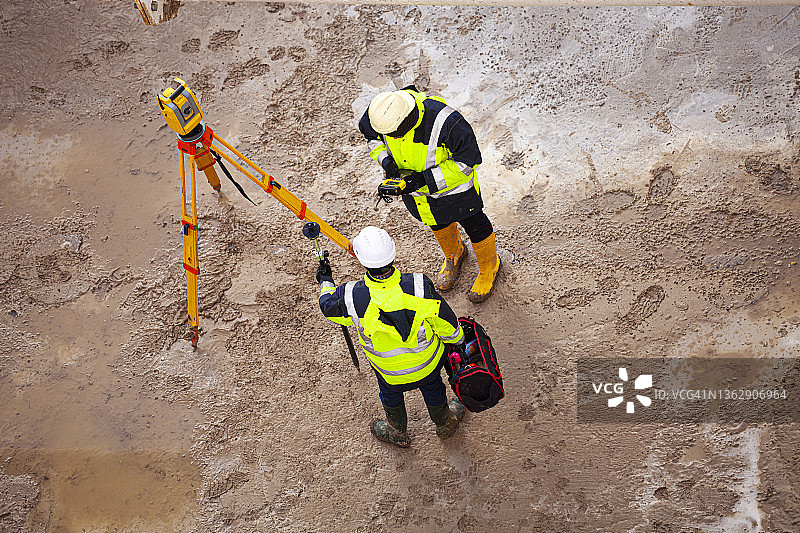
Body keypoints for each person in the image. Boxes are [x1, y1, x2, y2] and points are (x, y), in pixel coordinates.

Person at [316, 226, 466, 448]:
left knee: (390, 395)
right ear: (393, 254)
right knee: (434, 389)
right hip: (428, 363)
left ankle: (397, 431)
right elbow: (447, 324)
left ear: (360, 258)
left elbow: (327, 306)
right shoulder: (419, 285)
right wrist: (459, 342)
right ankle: (445, 423)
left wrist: (326, 281)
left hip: (388, 371)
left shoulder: (350, 297)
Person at [358, 85, 501, 303]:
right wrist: (386, 161)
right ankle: (455, 254)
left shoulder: (448, 123)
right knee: (436, 221)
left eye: (394, 134)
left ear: (407, 120)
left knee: (475, 225)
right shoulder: (380, 114)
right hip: (419, 196)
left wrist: (422, 180)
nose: (392, 139)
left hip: (456, 191)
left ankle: (489, 267)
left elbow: (467, 162)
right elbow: (372, 139)